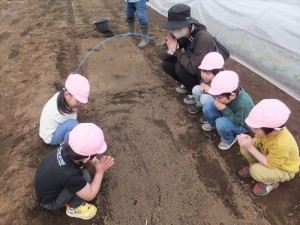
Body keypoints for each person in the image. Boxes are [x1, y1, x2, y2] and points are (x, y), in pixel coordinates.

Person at [34, 123, 115, 220]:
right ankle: (74, 208)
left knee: (81, 176)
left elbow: (85, 155)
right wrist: (99, 172)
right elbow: (90, 195)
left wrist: (97, 164)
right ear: (87, 158)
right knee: (85, 177)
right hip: (50, 202)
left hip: (45, 190)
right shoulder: (70, 175)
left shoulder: (66, 147)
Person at [237, 99, 300, 196]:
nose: (252, 129)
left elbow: (270, 164)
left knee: (256, 171)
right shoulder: (269, 129)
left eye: (256, 128)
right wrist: (252, 142)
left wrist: (251, 148)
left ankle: (271, 182)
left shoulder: (282, 144)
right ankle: (256, 167)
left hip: (283, 169)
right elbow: (259, 139)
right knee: (244, 148)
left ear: (275, 131)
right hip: (268, 157)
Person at [159, 4, 215, 99]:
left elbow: (194, 69)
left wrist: (176, 51)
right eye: (172, 28)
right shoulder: (180, 33)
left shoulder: (202, 38)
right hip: (190, 63)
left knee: (179, 67)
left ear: (187, 25)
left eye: (177, 27)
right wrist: (171, 50)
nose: (174, 31)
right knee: (166, 64)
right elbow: (162, 53)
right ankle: (187, 84)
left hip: (205, 76)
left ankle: (194, 93)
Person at [202, 70, 254, 150]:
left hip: (241, 125)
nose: (217, 99)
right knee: (208, 106)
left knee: (221, 122)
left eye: (219, 97)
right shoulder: (227, 92)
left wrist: (224, 109)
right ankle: (214, 126)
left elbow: (239, 122)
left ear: (232, 96)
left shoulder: (244, 103)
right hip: (228, 114)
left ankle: (228, 139)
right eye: (216, 96)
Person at [39, 74, 90, 145]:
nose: (79, 105)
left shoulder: (62, 97)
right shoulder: (58, 112)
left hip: (50, 129)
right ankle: (66, 147)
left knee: (72, 123)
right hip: (51, 137)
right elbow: (73, 125)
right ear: (67, 95)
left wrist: (74, 107)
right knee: (72, 124)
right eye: (77, 102)